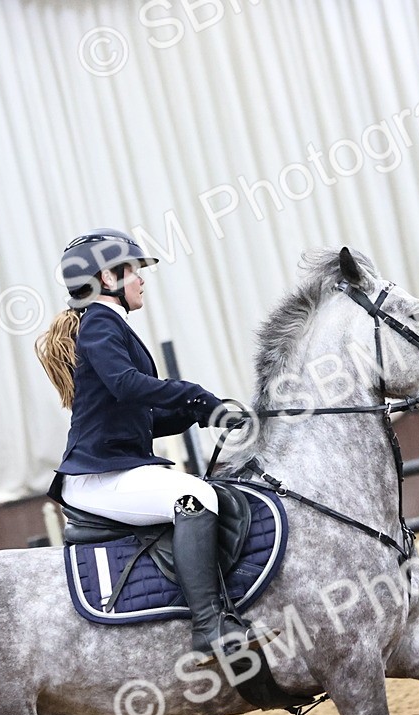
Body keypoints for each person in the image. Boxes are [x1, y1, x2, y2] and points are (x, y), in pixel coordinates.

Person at [35, 228, 262, 660]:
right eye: (134, 270)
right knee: (194, 497)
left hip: (117, 466)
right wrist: (194, 393)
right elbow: (125, 385)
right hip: (99, 478)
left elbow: (138, 419)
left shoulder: (106, 324)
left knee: (197, 492)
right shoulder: (100, 323)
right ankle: (209, 626)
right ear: (107, 279)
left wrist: (205, 414)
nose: (142, 278)